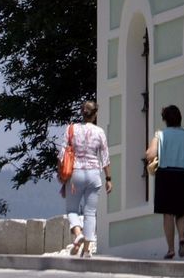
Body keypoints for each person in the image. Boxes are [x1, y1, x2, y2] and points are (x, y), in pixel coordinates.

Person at [145, 105, 184, 260]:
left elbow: (150, 155)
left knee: (168, 213)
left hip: (166, 174)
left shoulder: (161, 135)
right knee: (180, 212)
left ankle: (170, 249)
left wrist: (154, 144)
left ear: (165, 119)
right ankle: (182, 237)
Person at [60, 100, 111, 257]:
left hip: (75, 174)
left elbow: (62, 155)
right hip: (94, 174)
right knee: (90, 213)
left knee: (72, 210)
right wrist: (109, 178)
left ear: (82, 112)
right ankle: (87, 250)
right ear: (95, 114)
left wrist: (62, 179)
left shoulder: (71, 129)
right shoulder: (100, 132)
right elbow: (105, 157)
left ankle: (78, 233)